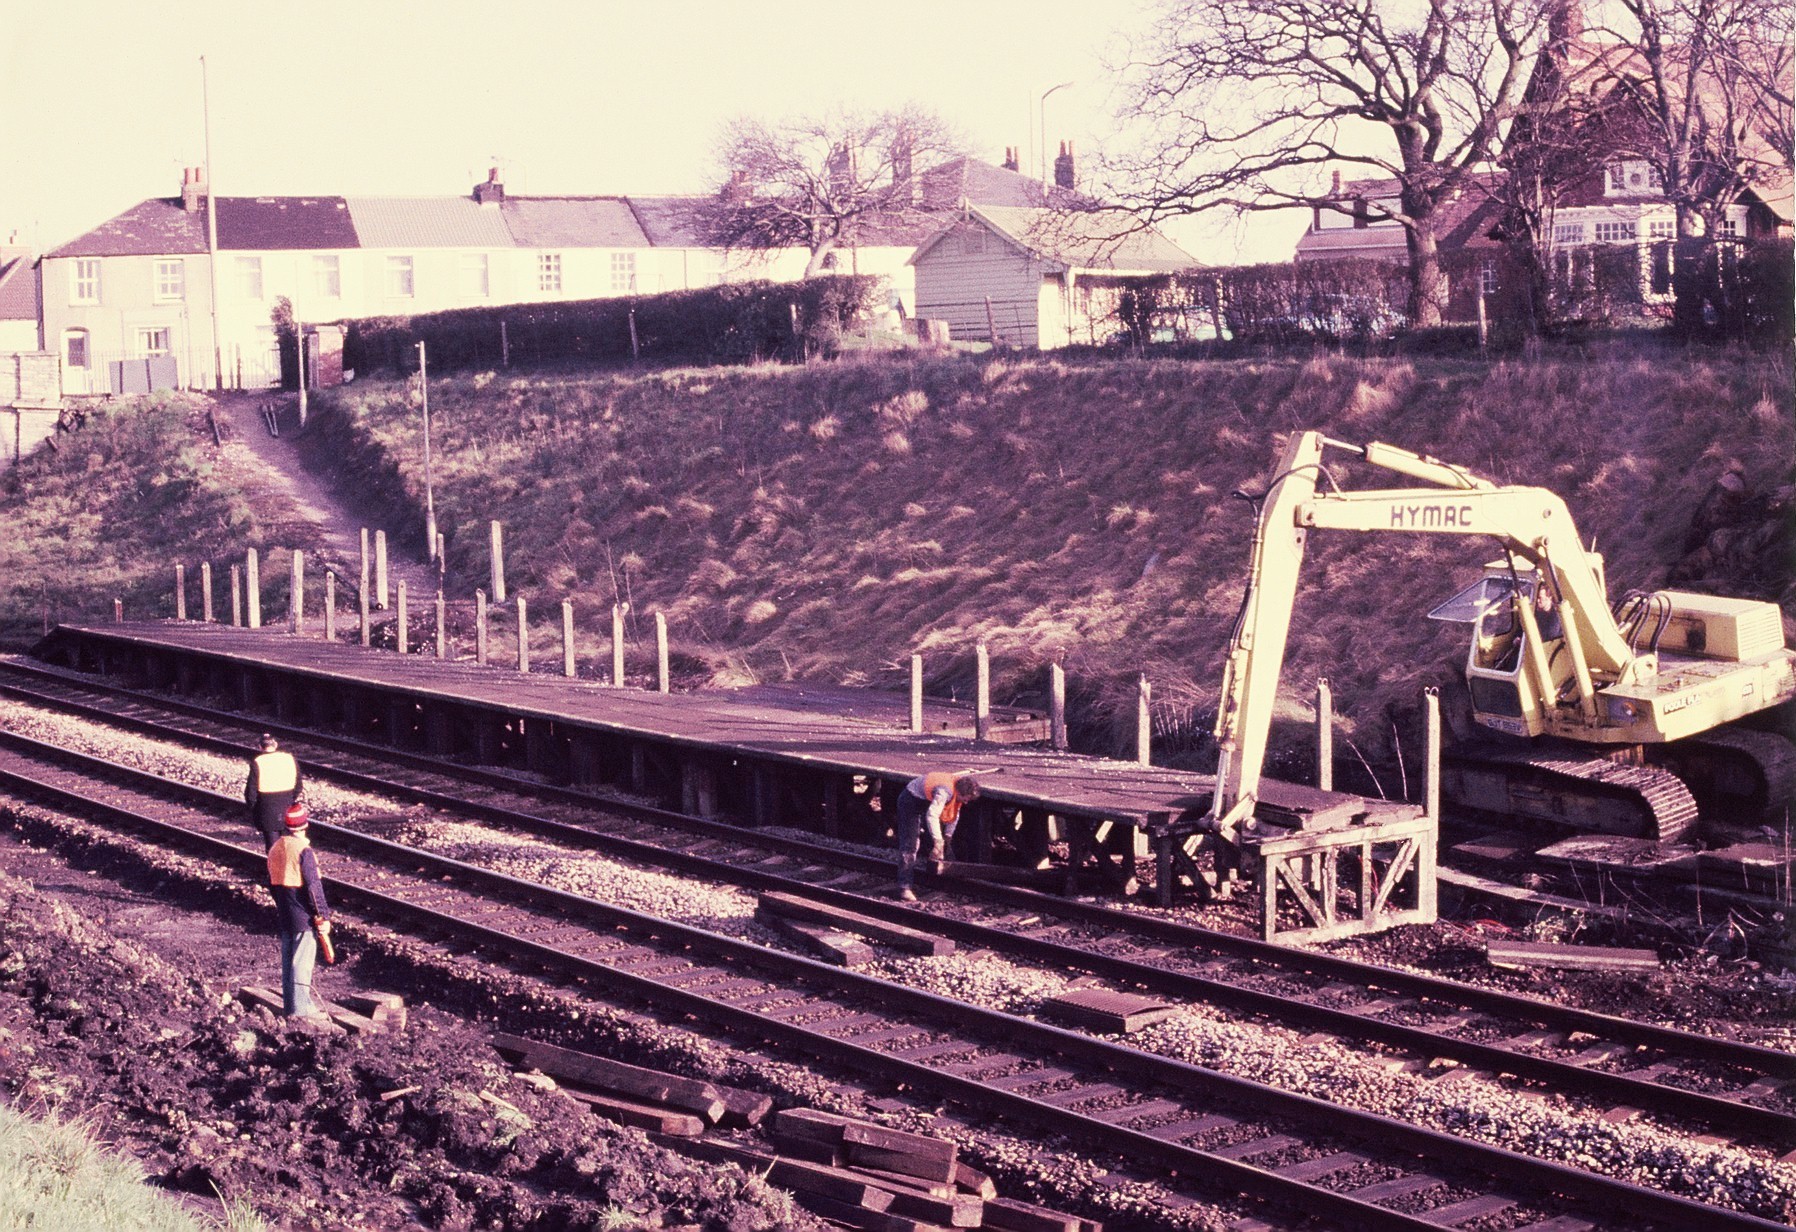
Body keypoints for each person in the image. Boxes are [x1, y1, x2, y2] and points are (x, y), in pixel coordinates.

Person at [267, 803, 332, 1021]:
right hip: (303, 914)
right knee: (302, 962)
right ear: (305, 825)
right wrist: (323, 916)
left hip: (284, 911)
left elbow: (271, 885)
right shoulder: (304, 851)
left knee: (288, 960)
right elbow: (313, 887)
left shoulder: (275, 848)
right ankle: (301, 1008)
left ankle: (290, 1006)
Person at [894, 771, 979, 901]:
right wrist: (938, 842)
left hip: (926, 801)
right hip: (910, 801)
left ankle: (943, 878)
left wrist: (948, 837)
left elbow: (955, 815)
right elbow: (932, 815)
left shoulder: (958, 790)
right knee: (910, 845)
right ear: (960, 793)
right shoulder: (944, 792)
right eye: (966, 799)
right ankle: (904, 887)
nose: (966, 802)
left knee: (939, 842)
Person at [245, 734, 302, 849]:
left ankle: (274, 866)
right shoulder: (289, 758)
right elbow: (299, 786)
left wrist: (255, 808)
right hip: (287, 805)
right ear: (275, 745)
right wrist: (291, 800)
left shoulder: (258, 761)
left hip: (267, 808)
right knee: (288, 845)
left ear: (260, 747)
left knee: (273, 847)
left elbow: (251, 791)